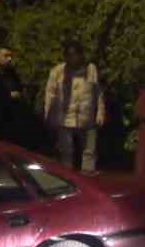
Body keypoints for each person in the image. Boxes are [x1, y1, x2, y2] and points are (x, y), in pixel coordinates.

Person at [44, 42, 105, 173]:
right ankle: (67, 176)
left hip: (87, 116)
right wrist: (49, 115)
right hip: (65, 118)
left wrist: (100, 112)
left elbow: (98, 92)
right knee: (66, 151)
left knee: (89, 150)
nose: (73, 59)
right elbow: (50, 94)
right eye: (69, 56)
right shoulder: (57, 71)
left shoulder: (91, 69)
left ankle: (88, 175)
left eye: (75, 55)